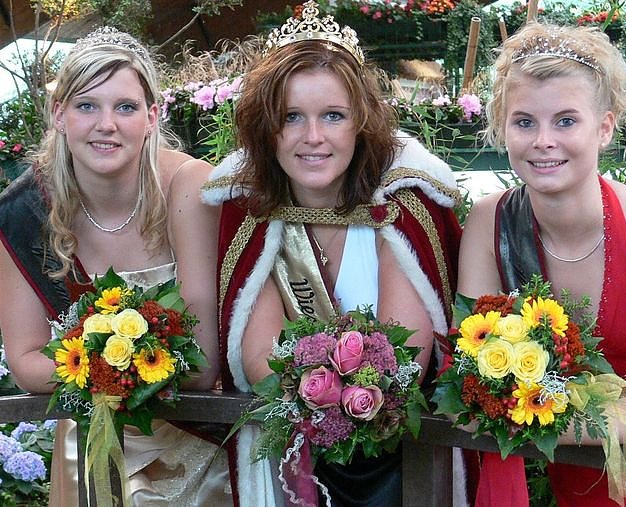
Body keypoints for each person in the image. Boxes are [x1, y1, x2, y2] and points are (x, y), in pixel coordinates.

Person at [201, 2, 463, 504]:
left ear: (361, 123)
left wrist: (334, 393)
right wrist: (324, 396)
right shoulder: (250, 215)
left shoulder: (400, 209)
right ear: (266, 128)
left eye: (333, 116)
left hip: (400, 461)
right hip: (291, 460)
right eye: (291, 117)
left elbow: (405, 359)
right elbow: (260, 364)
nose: (313, 137)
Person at [457, 21, 626, 507]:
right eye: (524, 122)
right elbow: (466, 378)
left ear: (604, 128)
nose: (543, 140)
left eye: (566, 121)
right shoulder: (489, 221)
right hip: (546, 483)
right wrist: (521, 412)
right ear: (503, 128)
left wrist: (530, 413)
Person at [0, 27, 231, 505]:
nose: (106, 124)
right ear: (59, 114)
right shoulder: (24, 212)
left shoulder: (189, 187)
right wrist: (114, 362)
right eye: (87, 106)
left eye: (125, 107)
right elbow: (24, 361)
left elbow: (202, 363)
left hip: (196, 450)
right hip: (91, 448)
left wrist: (96, 364)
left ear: (152, 116)